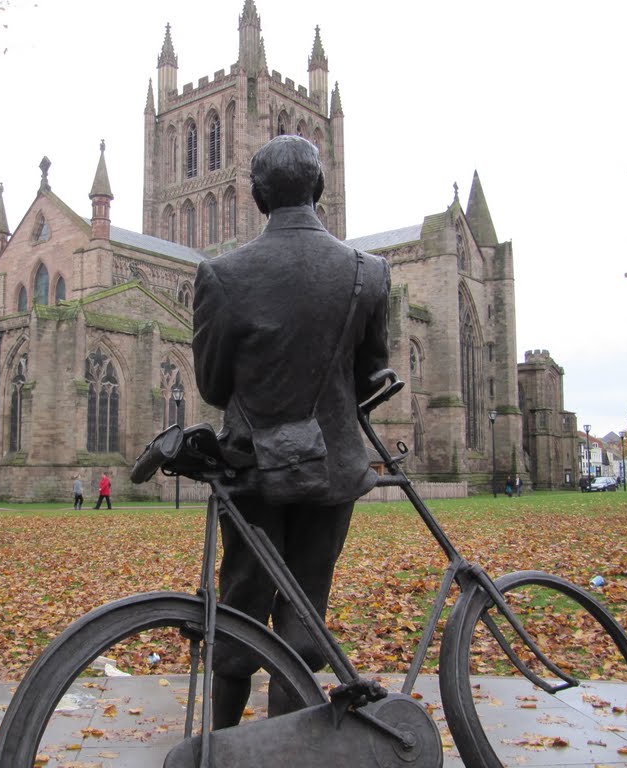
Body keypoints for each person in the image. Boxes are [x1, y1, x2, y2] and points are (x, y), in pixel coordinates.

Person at [192, 135, 391, 729]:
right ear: (319, 188)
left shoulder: (221, 275)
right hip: (330, 465)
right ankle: (288, 741)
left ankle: (221, 742)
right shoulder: (369, 273)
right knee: (308, 601)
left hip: (253, 468)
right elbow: (371, 374)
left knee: (242, 602)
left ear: (256, 195)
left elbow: (210, 384)